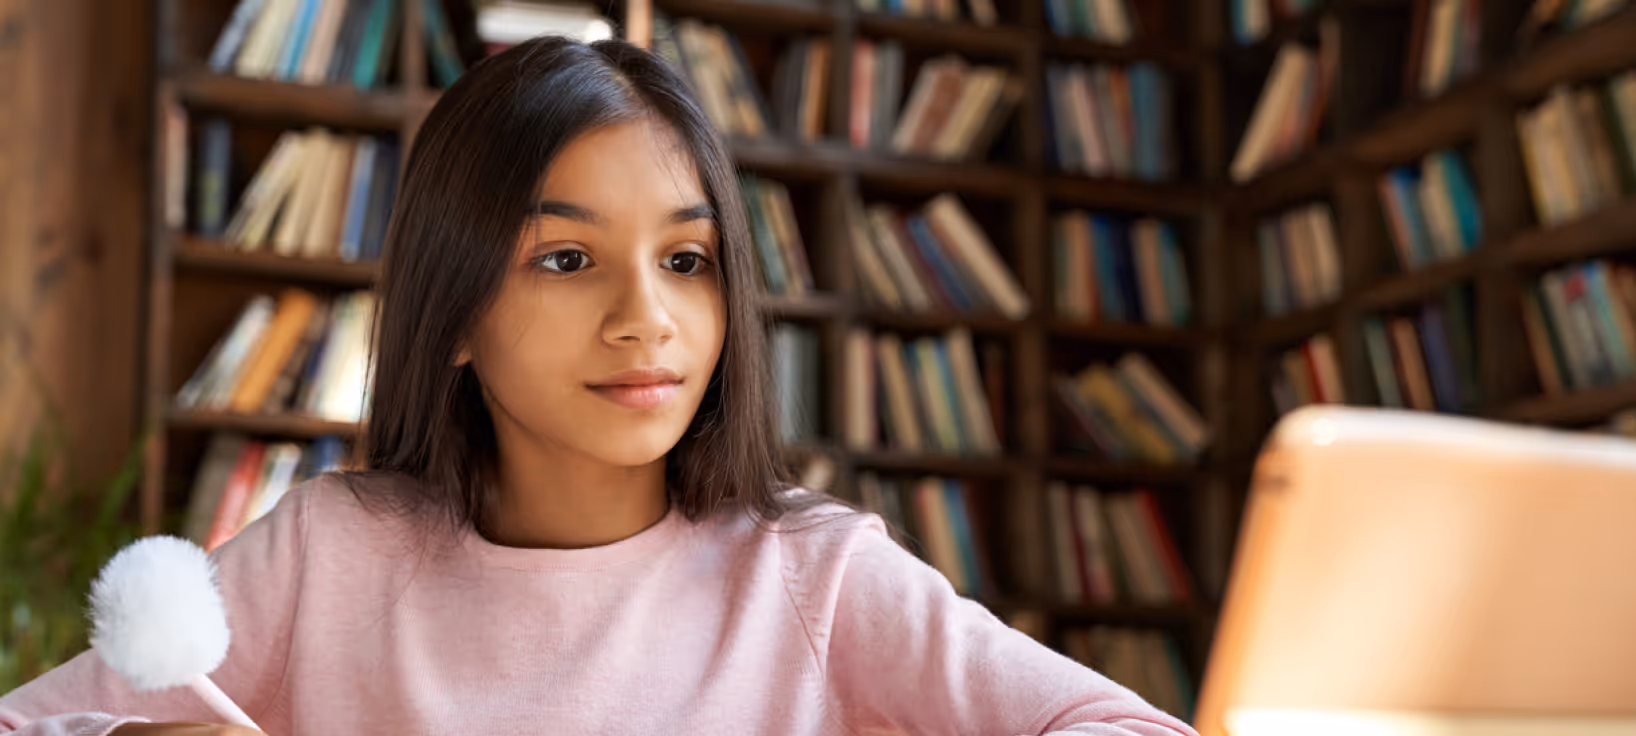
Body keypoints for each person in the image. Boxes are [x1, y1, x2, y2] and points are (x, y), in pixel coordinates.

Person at [0, 35, 1198, 736]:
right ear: (454, 310)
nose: (648, 319)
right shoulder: (332, 549)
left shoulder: (812, 573)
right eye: (566, 260)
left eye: (687, 260)